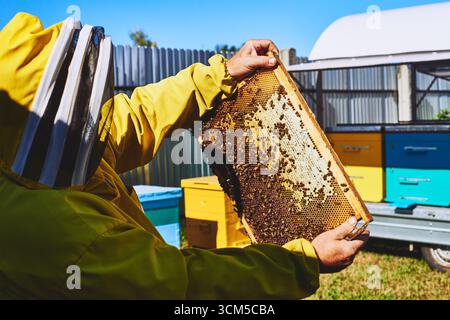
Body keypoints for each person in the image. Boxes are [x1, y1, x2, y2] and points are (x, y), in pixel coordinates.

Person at [0, 13, 369, 299]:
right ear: (42, 122)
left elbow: (136, 116)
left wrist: (221, 73)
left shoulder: (37, 149)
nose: (91, 119)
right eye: (80, 110)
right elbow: (186, 287)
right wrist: (303, 260)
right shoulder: (57, 235)